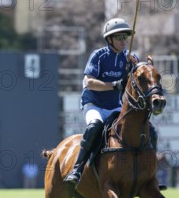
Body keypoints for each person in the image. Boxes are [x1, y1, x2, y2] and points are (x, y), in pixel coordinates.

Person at [64, 18, 156, 186]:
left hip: (115, 106)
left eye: (125, 37)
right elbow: (88, 82)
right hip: (94, 104)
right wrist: (114, 85)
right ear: (109, 40)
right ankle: (77, 169)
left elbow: (140, 77)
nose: (123, 41)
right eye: (119, 37)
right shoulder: (98, 56)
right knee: (94, 127)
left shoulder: (131, 58)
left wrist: (146, 68)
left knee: (150, 129)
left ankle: (150, 173)